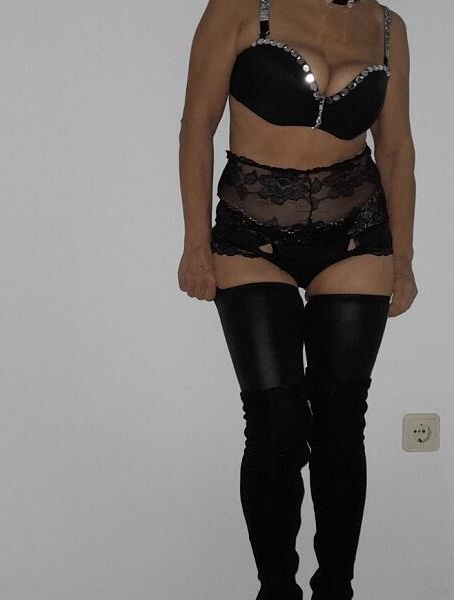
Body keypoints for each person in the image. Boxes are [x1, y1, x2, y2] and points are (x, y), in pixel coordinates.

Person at [177, 0, 416, 598]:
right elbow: (196, 126)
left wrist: (404, 260)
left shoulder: (387, 27)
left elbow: (395, 150)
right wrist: (196, 245)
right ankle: (277, 589)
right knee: (276, 425)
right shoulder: (239, 7)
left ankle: (336, 588)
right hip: (251, 231)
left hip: (357, 230)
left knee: (341, 425)